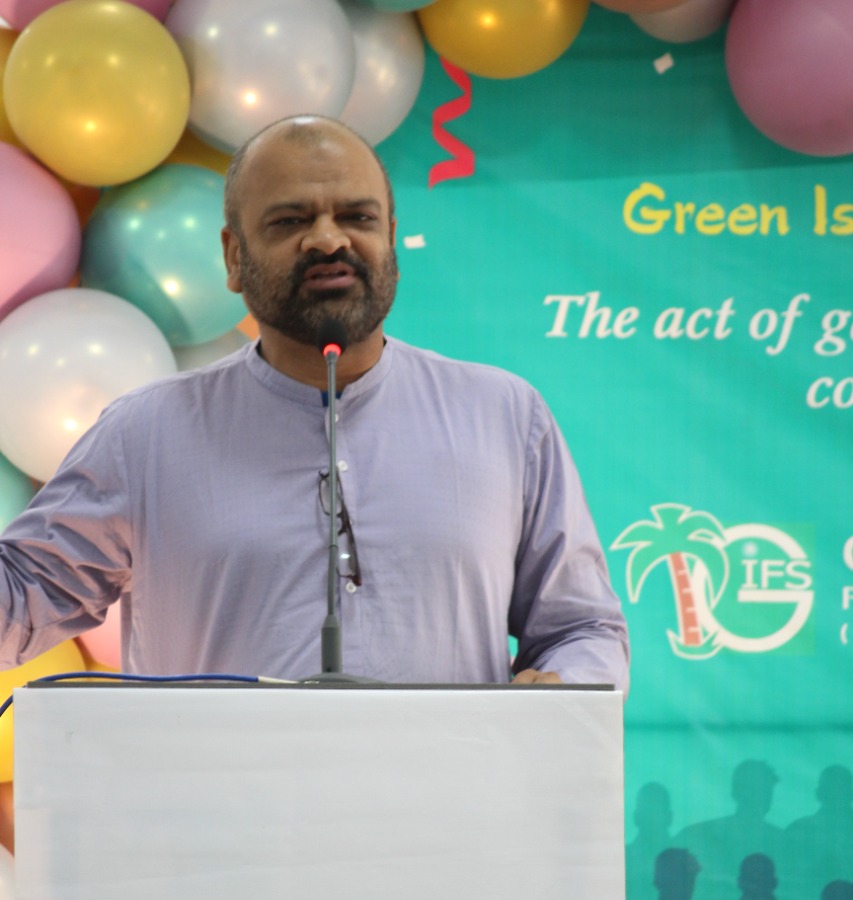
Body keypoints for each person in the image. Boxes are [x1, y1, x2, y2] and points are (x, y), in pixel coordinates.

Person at [0, 116, 629, 688]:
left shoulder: (504, 416)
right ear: (233, 257)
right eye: (290, 221)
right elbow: (20, 600)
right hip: (217, 784)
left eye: (357, 217)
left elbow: (582, 628)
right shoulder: (145, 433)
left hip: (446, 783)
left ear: (391, 241)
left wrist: (566, 687)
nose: (328, 240)